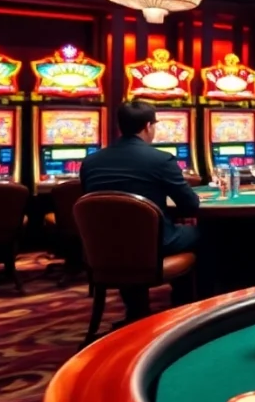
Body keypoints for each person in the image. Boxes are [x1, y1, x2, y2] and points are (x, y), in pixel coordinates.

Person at [79, 101, 200, 323]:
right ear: (147, 126)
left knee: (127, 236)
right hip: (152, 244)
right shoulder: (161, 159)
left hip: (102, 248)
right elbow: (190, 205)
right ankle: (185, 307)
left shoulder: (90, 162)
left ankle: (136, 311)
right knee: (206, 234)